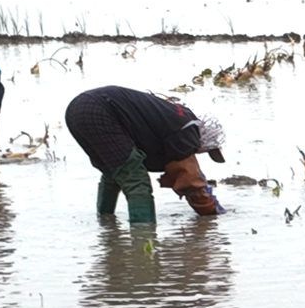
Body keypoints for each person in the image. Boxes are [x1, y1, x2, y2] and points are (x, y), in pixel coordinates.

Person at [61, 85, 226, 225]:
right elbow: (191, 182)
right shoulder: (186, 132)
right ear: (202, 141)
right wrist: (211, 213)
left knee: (114, 173)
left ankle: (106, 225)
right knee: (136, 180)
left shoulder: (173, 118)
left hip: (76, 110)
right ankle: (143, 241)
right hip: (99, 110)